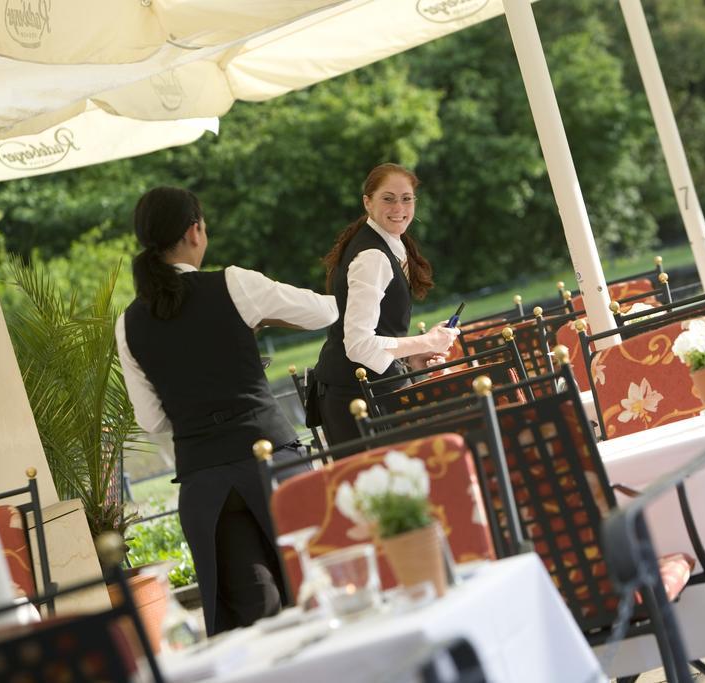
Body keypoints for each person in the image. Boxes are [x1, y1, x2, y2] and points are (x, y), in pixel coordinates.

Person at [116, 186, 338, 636]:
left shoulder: (128, 322)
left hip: (205, 485)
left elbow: (152, 420)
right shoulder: (235, 283)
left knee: (257, 615)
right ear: (195, 230)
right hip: (270, 462)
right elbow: (323, 313)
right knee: (320, 585)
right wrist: (263, 319)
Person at [314, 163, 458, 445]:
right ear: (367, 202)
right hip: (356, 402)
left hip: (368, 391)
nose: (399, 207)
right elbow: (359, 345)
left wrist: (411, 357)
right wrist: (427, 341)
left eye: (406, 198)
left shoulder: (389, 244)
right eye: (388, 198)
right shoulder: (373, 257)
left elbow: (378, 332)